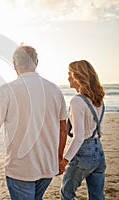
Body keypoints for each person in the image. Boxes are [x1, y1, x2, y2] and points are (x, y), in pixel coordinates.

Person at [0, 44, 67, 199]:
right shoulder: (55, 90)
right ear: (37, 62)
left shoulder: (7, 90)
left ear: (14, 64)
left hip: (21, 168)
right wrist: (58, 157)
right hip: (47, 165)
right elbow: (62, 128)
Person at [60, 60, 106, 200]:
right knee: (97, 195)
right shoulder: (99, 99)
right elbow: (100, 130)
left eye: (70, 73)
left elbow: (79, 137)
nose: (68, 77)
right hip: (98, 151)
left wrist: (65, 160)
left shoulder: (77, 100)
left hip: (84, 153)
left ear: (78, 76)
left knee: (66, 194)